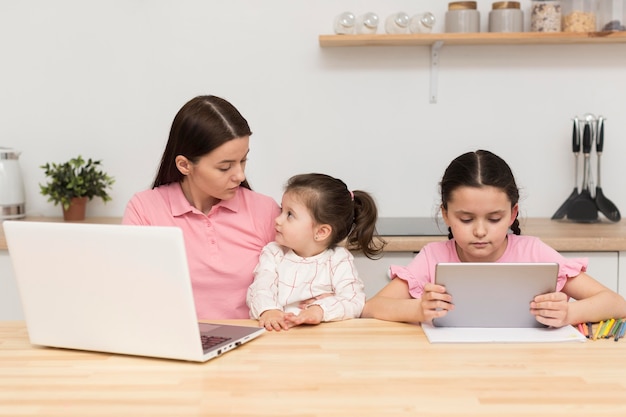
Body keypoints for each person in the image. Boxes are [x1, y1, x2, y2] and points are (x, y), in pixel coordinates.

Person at [361, 150, 626, 327]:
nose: (479, 231)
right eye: (466, 219)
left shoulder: (535, 252)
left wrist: (570, 313)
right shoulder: (433, 257)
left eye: (494, 219)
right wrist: (418, 310)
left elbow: (616, 303)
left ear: (512, 214)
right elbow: (372, 307)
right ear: (446, 214)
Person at [122, 95, 280, 319]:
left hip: (253, 346)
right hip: (172, 343)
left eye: (243, 160)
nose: (240, 175)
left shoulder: (266, 211)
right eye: (225, 167)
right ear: (184, 165)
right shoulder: (144, 210)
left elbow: (298, 283)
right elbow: (129, 291)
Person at [247, 173, 386, 331]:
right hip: (279, 334)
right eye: (281, 210)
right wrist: (269, 310)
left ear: (321, 232)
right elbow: (261, 287)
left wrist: (320, 310)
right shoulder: (273, 253)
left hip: (322, 338)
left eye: (290, 214)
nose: (278, 220)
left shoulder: (338, 259)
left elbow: (354, 300)